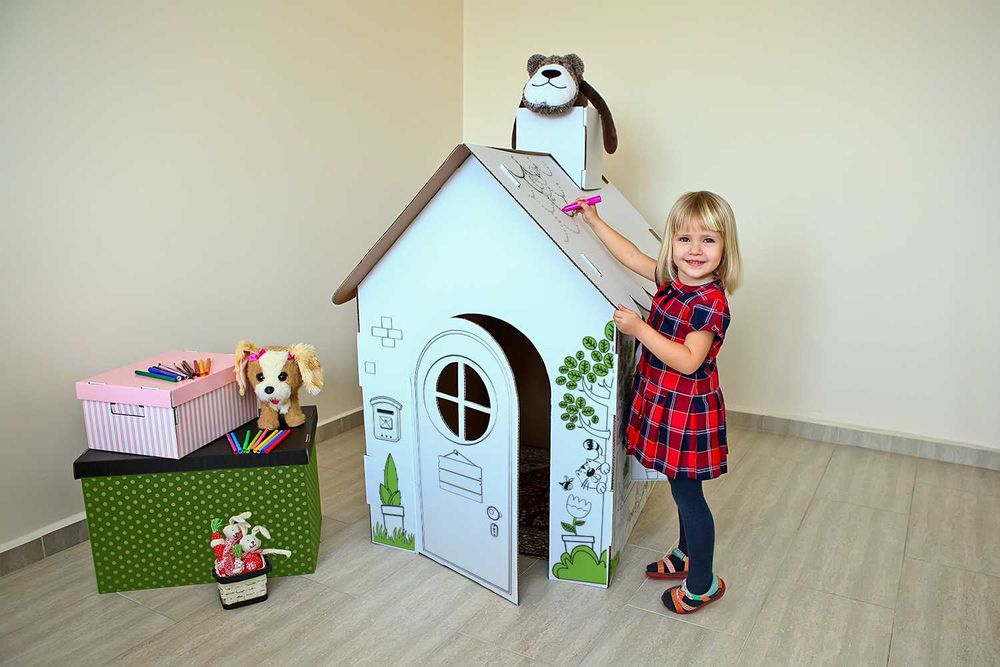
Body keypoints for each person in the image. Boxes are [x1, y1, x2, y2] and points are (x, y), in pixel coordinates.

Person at [573, 191, 742, 614]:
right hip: (666, 404)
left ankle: (702, 583)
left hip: (687, 411)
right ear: (672, 244)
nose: (695, 250)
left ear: (725, 249)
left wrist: (639, 329)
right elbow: (631, 255)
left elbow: (688, 361)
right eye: (685, 239)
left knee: (688, 494)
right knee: (679, 485)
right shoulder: (674, 281)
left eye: (708, 240)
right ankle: (685, 554)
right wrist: (594, 221)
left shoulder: (709, 303)